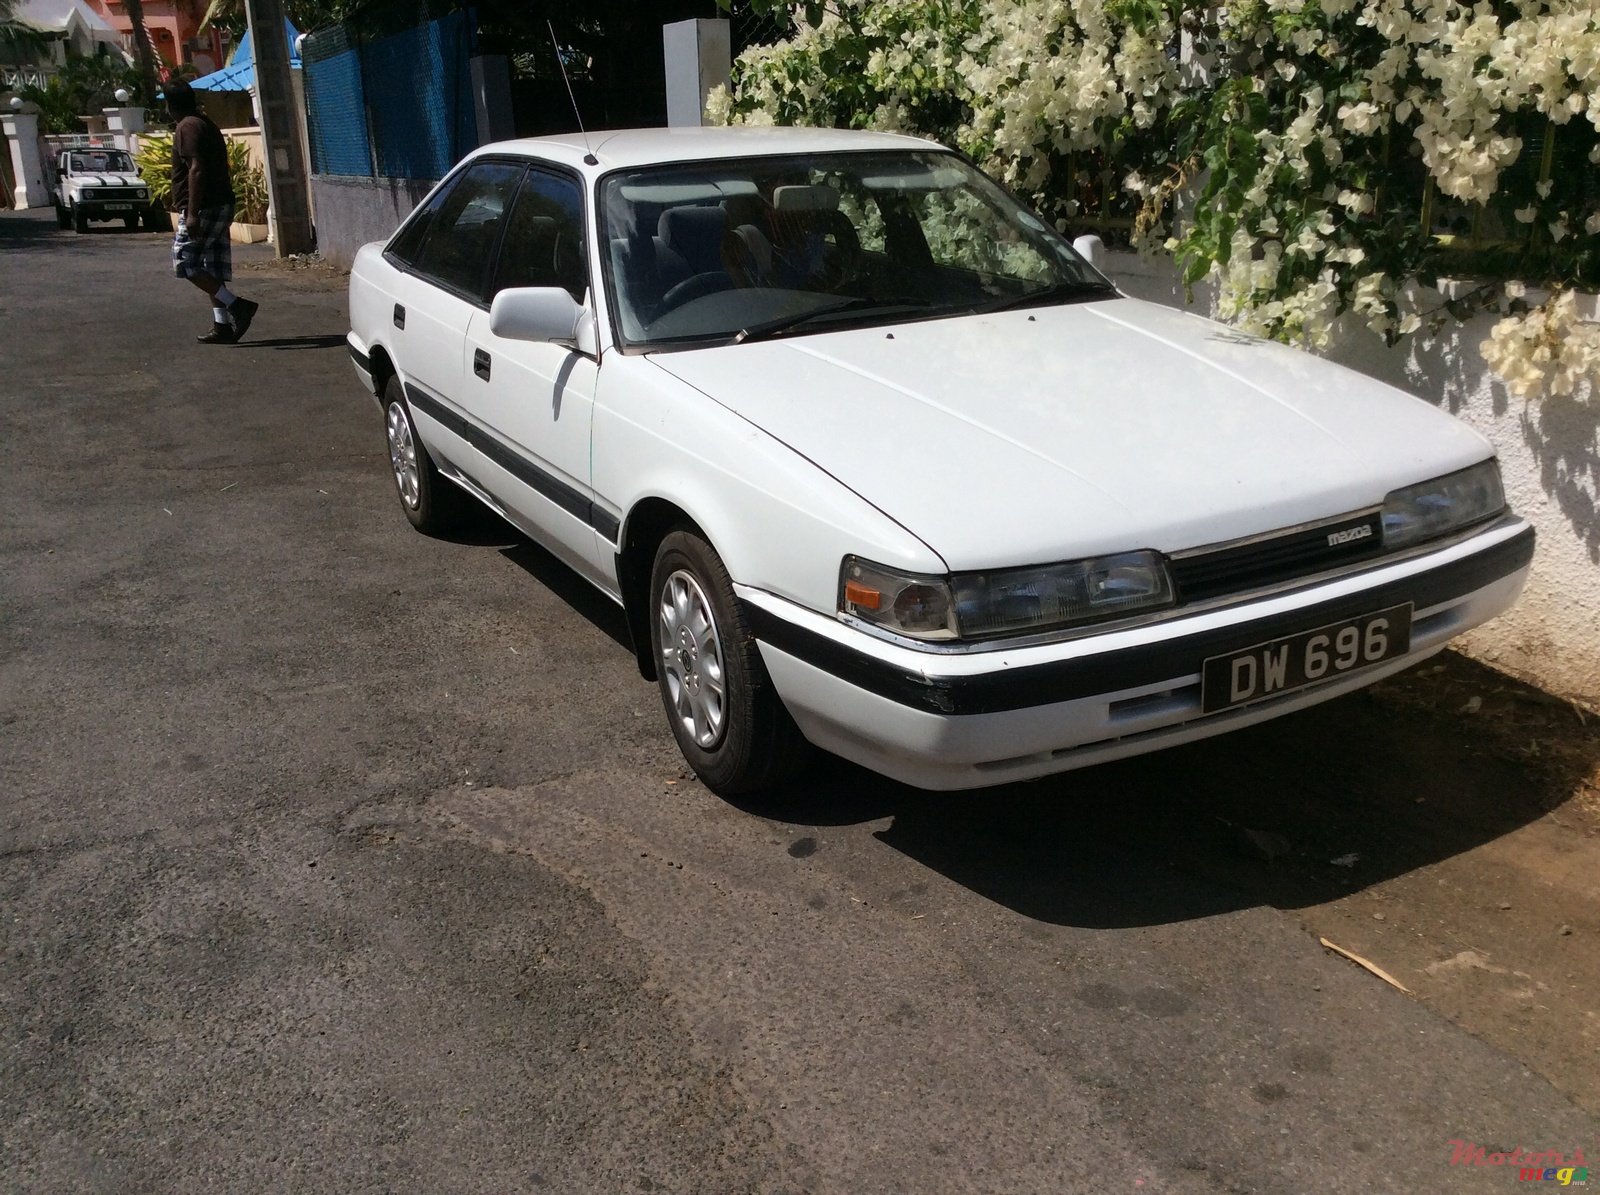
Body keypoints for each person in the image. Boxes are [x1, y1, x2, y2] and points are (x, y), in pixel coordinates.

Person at [165, 79, 258, 344]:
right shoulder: (203, 123)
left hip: (204, 207)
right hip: (219, 203)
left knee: (185, 262)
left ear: (170, 106)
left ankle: (237, 305)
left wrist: (192, 213)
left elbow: (196, 169)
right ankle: (222, 326)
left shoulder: (187, 127)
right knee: (211, 267)